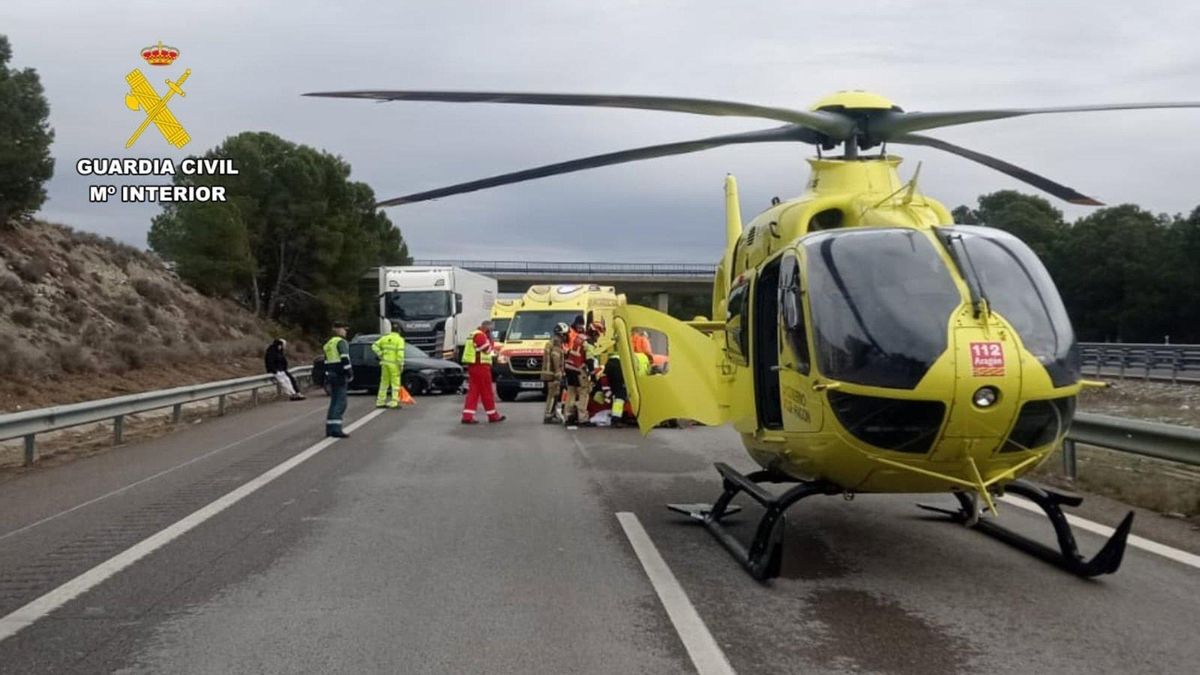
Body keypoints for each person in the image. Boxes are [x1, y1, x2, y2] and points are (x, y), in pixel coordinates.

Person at [461, 318, 505, 424]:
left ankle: (467, 416)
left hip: (474, 366)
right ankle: (493, 416)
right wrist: (491, 342)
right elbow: (486, 349)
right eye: (491, 330)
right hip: (481, 367)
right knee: (487, 392)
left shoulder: (474, 334)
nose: (491, 332)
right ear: (486, 328)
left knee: (474, 392)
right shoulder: (480, 335)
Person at [323, 321, 354, 438]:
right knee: (341, 402)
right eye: (344, 329)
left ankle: (330, 428)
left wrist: (326, 375)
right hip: (340, 375)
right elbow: (345, 358)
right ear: (339, 330)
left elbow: (325, 361)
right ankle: (336, 429)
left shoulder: (328, 343)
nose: (345, 331)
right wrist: (349, 372)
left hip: (331, 375)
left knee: (334, 401)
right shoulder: (341, 342)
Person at [562, 317, 590, 426]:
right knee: (583, 392)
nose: (581, 328)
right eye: (579, 325)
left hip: (569, 366)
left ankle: (569, 416)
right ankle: (582, 418)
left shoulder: (575, 334)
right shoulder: (584, 339)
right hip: (576, 367)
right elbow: (588, 357)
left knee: (571, 393)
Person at [371, 323, 406, 409]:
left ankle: (380, 401)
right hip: (394, 365)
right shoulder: (399, 340)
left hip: (384, 363)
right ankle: (394, 402)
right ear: (399, 331)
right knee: (395, 384)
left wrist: (381, 354)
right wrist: (401, 364)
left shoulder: (385, 338)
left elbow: (374, 345)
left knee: (384, 383)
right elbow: (400, 354)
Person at [540, 322, 567, 424]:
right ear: (561, 334)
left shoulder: (551, 342)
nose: (566, 337)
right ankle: (549, 416)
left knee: (554, 394)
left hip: (549, 372)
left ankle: (552, 413)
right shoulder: (556, 342)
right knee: (552, 395)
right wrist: (558, 372)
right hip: (552, 373)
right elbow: (555, 357)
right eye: (565, 334)